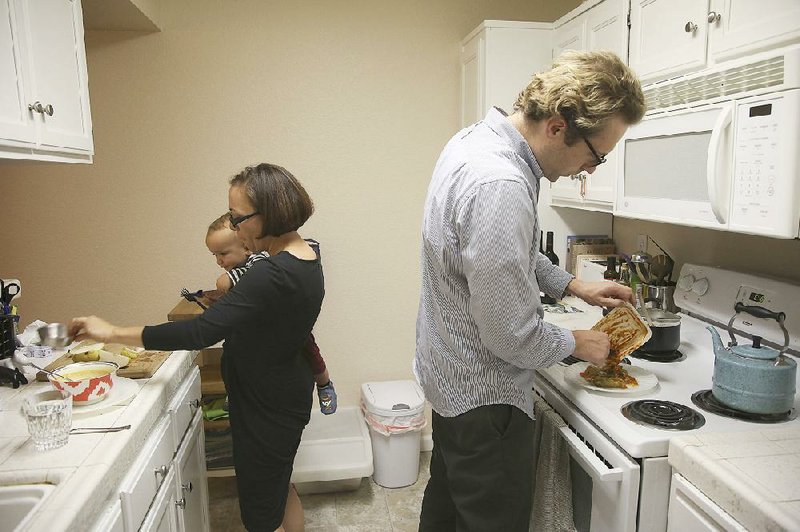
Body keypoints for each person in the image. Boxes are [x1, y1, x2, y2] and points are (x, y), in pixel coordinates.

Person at [415, 50, 646, 531]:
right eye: (596, 154)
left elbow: (498, 251)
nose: (593, 169)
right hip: (486, 399)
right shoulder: (501, 183)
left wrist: (573, 284)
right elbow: (510, 336)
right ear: (559, 126)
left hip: (450, 377)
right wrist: (577, 343)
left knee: (447, 513)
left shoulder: (474, 141)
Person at [70, 163, 323, 532]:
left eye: (237, 219)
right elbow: (270, 318)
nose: (234, 228)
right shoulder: (306, 254)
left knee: (260, 512)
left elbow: (198, 334)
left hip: (267, 404)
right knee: (279, 486)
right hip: (283, 393)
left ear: (267, 215)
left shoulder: (271, 273)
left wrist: (110, 331)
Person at [206, 213, 337, 414]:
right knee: (235, 353)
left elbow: (249, 277)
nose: (219, 261)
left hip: (287, 326)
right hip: (254, 332)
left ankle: (324, 383)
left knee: (309, 347)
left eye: (223, 254)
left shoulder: (260, 261)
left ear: (246, 247)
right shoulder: (243, 262)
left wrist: (228, 279)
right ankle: (236, 392)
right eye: (214, 255)